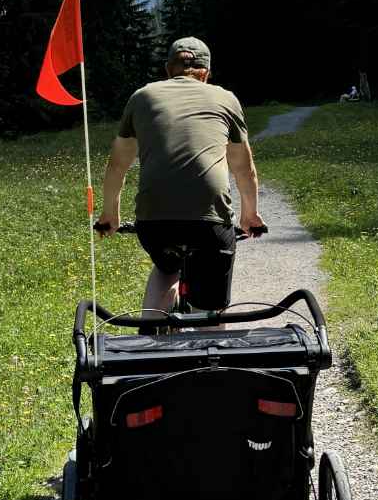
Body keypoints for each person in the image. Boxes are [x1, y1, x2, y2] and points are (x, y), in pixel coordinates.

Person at [97, 37, 265, 322]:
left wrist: (109, 214)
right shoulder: (225, 98)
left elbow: (117, 165)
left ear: (167, 69)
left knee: (165, 269)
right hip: (209, 222)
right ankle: (209, 348)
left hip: (154, 221)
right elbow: (243, 167)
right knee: (210, 310)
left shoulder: (142, 97)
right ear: (206, 73)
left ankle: (149, 335)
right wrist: (250, 215)